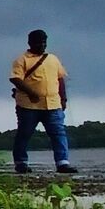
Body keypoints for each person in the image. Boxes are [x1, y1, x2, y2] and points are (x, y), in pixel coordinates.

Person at [10, 29, 76, 174]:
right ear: (30, 43)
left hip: (53, 104)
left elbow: (60, 79)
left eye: (44, 42)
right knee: (24, 134)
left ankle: (62, 163)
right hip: (28, 105)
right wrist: (31, 93)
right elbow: (15, 78)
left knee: (58, 133)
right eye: (38, 42)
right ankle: (21, 163)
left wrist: (63, 99)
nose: (41, 45)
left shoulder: (53, 59)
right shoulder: (22, 60)